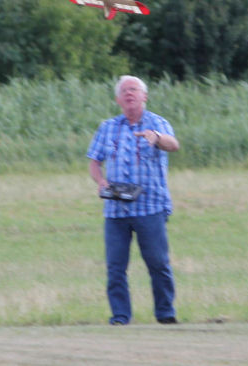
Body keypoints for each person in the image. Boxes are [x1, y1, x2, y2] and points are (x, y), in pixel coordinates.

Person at [87, 75, 180, 326]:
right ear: (118, 99)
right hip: (116, 209)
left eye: (134, 90)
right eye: (125, 91)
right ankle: (120, 316)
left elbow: (174, 145)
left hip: (150, 207)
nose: (129, 94)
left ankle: (165, 313)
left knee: (158, 263)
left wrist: (156, 138)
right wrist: (101, 182)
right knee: (115, 267)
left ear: (144, 96)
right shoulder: (107, 127)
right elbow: (94, 161)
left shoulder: (157, 123)